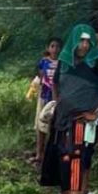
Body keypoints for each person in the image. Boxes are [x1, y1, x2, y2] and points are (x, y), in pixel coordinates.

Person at [40, 25, 98, 194]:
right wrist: (57, 104)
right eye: (80, 40)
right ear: (74, 41)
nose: (84, 45)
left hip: (81, 120)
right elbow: (56, 84)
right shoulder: (65, 63)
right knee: (60, 158)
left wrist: (97, 112)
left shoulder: (97, 65)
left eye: (87, 41)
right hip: (61, 119)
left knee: (76, 159)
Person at [31, 37, 62, 166]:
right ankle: (39, 153)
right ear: (48, 48)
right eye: (52, 46)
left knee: (54, 127)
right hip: (44, 97)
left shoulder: (62, 63)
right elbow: (41, 77)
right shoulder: (43, 62)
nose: (55, 49)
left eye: (57, 46)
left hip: (58, 99)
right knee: (40, 125)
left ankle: (51, 155)